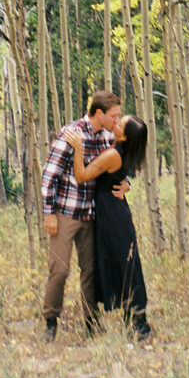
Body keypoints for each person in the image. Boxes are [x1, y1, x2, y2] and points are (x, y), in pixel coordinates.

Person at [40, 90, 124, 342]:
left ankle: (91, 322)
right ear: (99, 114)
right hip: (66, 213)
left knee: (90, 270)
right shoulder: (71, 134)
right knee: (60, 270)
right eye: (113, 116)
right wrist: (49, 213)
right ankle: (50, 321)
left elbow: (116, 165)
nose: (117, 121)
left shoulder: (107, 136)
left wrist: (126, 181)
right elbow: (49, 175)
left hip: (91, 215)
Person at [64, 115, 152, 340]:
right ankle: (131, 318)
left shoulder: (113, 153)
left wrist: (77, 148)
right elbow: (120, 176)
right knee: (122, 263)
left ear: (123, 135)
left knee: (125, 265)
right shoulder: (116, 147)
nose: (116, 122)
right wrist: (128, 184)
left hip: (112, 215)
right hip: (111, 211)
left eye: (120, 123)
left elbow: (82, 175)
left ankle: (138, 322)